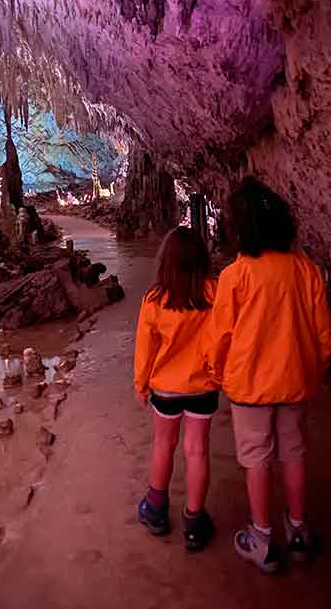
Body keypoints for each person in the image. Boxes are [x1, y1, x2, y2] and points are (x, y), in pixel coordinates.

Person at [205, 176, 331, 573]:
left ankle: (261, 539)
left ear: (238, 230)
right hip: (295, 381)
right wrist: (315, 369)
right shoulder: (306, 270)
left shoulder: (235, 276)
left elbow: (220, 336)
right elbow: (323, 333)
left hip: (249, 386)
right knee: (293, 453)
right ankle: (299, 531)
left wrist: (216, 374)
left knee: (257, 459)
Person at [134, 226, 218, 551]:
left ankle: (155, 511)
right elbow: (224, 337)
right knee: (197, 451)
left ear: (165, 260)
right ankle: (194, 522)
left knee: (163, 445)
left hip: (166, 389)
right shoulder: (214, 293)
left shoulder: (154, 299)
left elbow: (145, 349)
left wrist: (141, 384)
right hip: (203, 386)